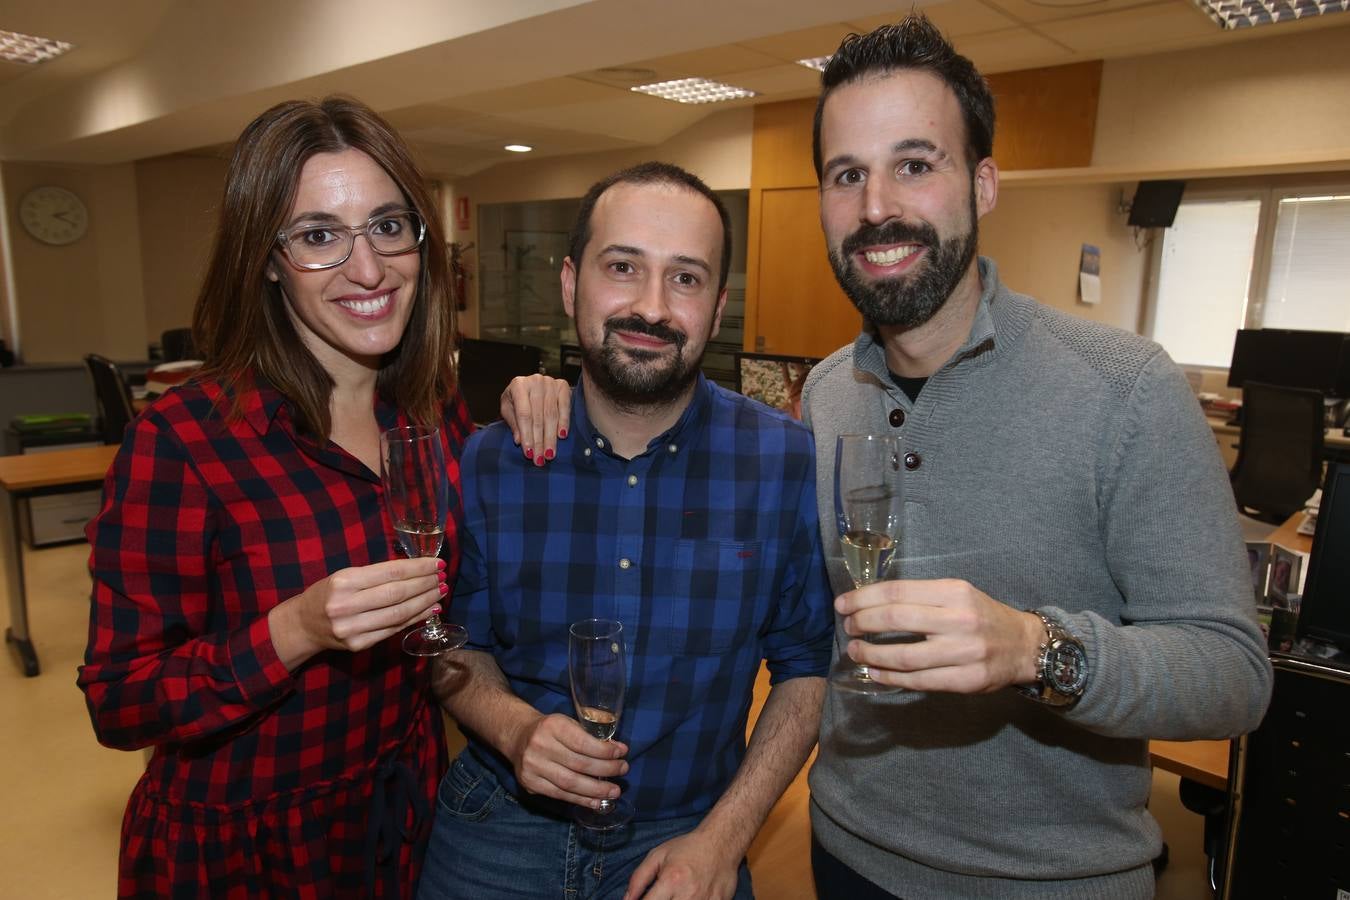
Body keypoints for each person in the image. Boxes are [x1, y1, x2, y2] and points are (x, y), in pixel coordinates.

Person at [800, 16, 1274, 899]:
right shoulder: (825, 394)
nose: (875, 209)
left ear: (981, 184)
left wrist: (1036, 648)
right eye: (846, 175)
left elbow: (1234, 676)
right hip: (846, 853)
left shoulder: (1126, 389)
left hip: (1052, 882)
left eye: (914, 164)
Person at [77, 96, 567, 899]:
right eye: (317, 237)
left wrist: (530, 409)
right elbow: (120, 702)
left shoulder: (430, 407)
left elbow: (465, 603)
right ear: (266, 259)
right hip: (245, 845)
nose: (368, 268)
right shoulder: (186, 440)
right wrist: (293, 630)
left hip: (400, 810)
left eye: (386, 226)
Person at [418, 162, 835, 899]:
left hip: (691, 837)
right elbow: (453, 649)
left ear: (718, 304)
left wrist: (723, 840)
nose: (652, 306)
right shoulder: (494, 459)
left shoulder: (782, 459)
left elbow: (807, 668)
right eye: (623, 267)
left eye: (686, 278)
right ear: (572, 283)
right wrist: (516, 731)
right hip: (499, 834)